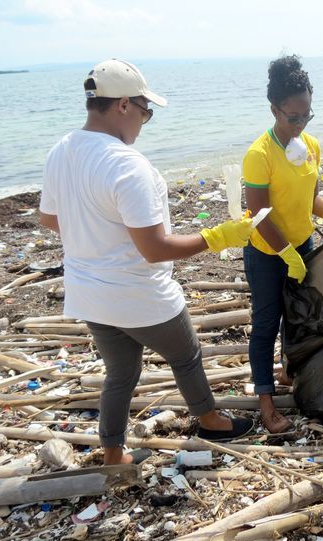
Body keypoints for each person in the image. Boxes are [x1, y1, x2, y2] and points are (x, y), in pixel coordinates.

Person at [39, 59, 254, 466]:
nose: (144, 120)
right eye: (145, 111)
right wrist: (216, 236)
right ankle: (210, 418)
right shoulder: (127, 165)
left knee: (121, 374)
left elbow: (51, 218)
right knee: (185, 355)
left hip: (90, 293)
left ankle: (113, 453)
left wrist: (95, 234)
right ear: (123, 105)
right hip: (139, 293)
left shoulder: (61, 150)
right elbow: (154, 249)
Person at [242, 55, 323, 433]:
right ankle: (265, 402)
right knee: (266, 324)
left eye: (307, 115)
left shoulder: (309, 144)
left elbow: (311, 197)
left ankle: (290, 373)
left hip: (302, 245)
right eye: (292, 117)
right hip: (267, 252)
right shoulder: (259, 155)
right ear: (274, 109)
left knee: (300, 317)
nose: (300, 123)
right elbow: (259, 216)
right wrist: (286, 253)